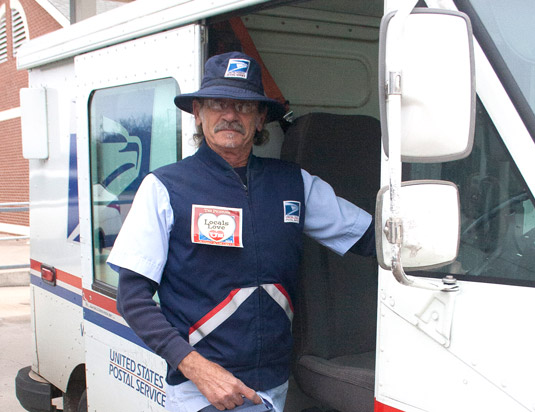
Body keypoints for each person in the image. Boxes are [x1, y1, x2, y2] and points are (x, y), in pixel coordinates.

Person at [108, 51, 375, 412]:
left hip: (275, 383)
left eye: (244, 106)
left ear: (261, 118)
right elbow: (133, 299)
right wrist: (196, 368)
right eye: (218, 103)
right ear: (198, 113)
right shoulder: (165, 187)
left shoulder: (292, 182)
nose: (230, 114)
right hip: (203, 391)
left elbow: (370, 238)